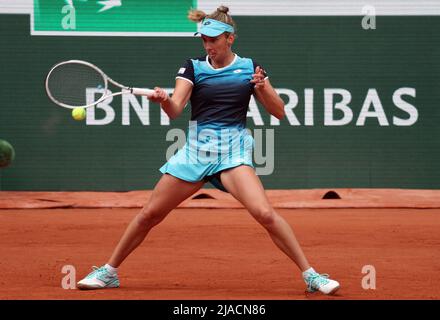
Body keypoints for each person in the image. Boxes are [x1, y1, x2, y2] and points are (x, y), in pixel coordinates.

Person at [77, 5, 340, 295]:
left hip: (233, 153)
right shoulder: (192, 67)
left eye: (213, 39)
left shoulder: (250, 68)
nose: (208, 45)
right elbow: (175, 110)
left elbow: (279, 112)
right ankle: (109, 271)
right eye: (203, 39)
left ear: (230, 38)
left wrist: (262, 87)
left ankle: (312, 276)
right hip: (196, 153)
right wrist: (164, 99)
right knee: (149, 214)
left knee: (265, 214)